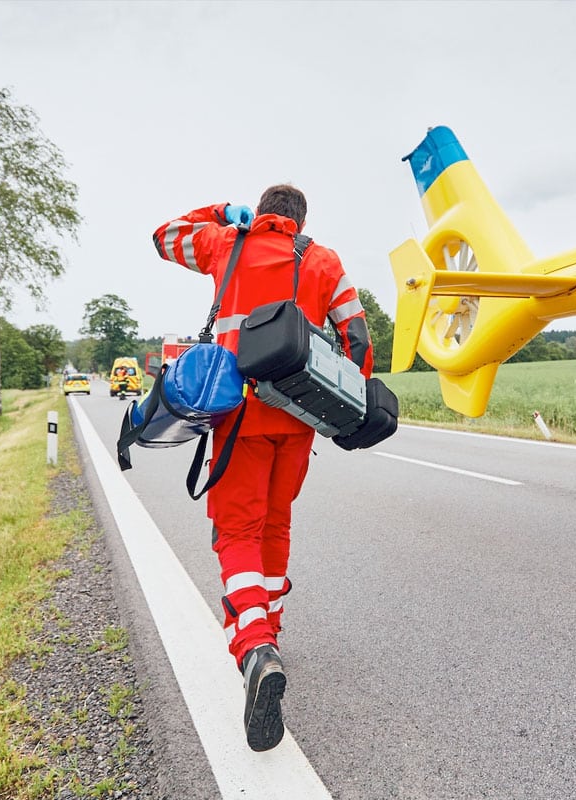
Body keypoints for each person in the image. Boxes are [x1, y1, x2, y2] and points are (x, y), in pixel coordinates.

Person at [151, 184, 373, 751]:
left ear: (263, 212)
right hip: (298, 420)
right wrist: (347, 402)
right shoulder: (323, 260)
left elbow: (165, 236)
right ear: (300, 222)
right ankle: (269, 626)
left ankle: (253, 647)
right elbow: (356, 335)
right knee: (275, 525)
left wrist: (220, 213)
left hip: (238, 417)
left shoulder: (228, 242)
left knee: (238, 532)